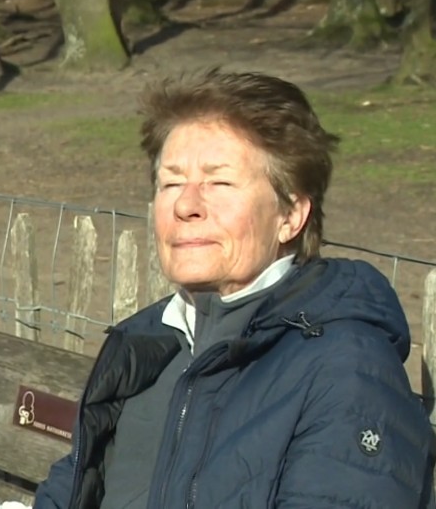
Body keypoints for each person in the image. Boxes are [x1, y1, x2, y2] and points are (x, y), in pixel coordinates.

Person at [34, 69, 435, 508]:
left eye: (219, 182)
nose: (186, 205)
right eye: (170, 183)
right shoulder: (149, 345)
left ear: (291, 215)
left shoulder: (345, 369)